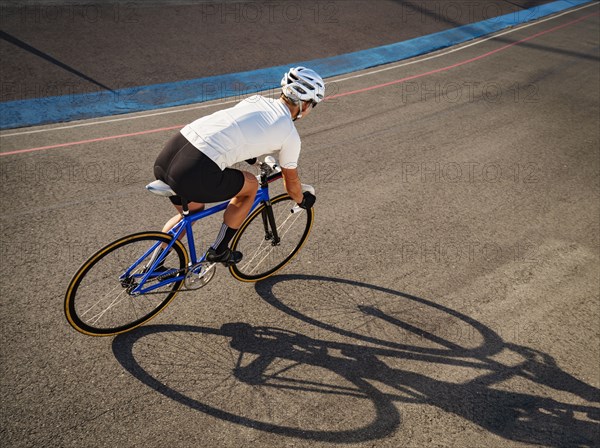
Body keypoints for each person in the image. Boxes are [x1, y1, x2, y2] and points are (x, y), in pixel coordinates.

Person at [153, 66, 325, 265]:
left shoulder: (256, 100)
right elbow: (292, 184)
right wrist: (302, 200)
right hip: (194, 169)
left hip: (170, 153)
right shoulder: (290, 135)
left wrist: (254, 160)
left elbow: (237, 128)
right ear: (305, 104)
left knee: (192, 213)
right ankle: (219, 249)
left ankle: (154, 265)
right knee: (250, 185)